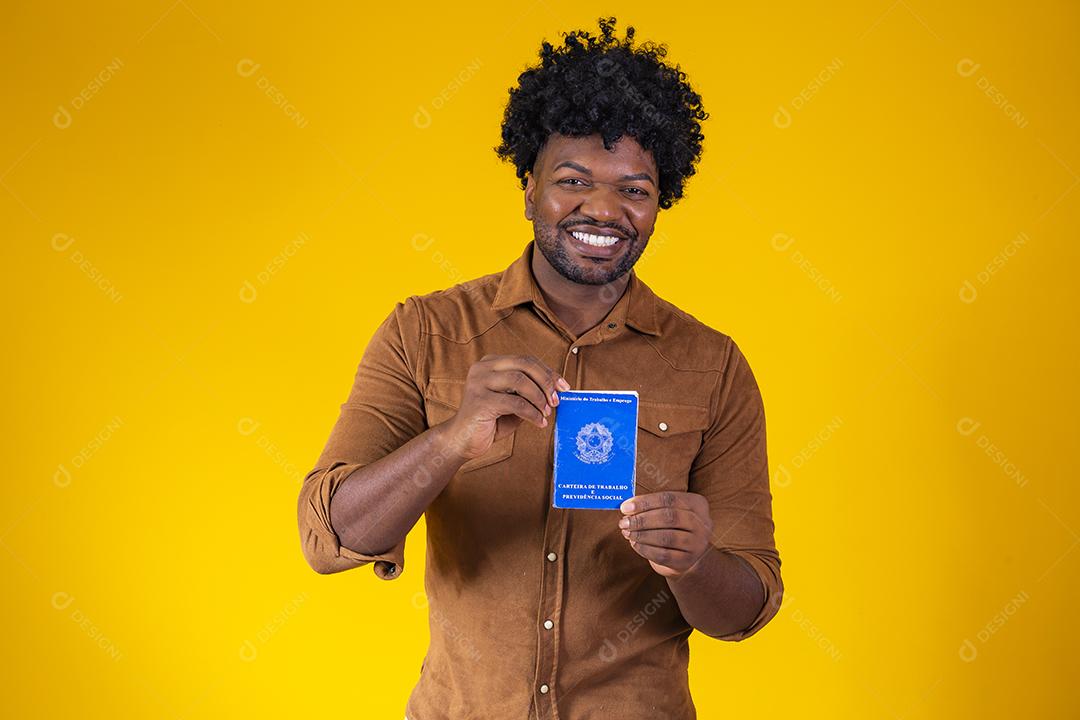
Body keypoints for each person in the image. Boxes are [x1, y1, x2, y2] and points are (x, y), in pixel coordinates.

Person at [297, 17, 783, 719]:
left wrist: (693, 560)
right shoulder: (424, 332)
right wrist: (450, 441)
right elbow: (328, 539)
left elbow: (746, 608)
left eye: (635, 190)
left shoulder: (713, 366)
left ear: (660, 203)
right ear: (529, 189)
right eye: (573, 180)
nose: (604, 210)